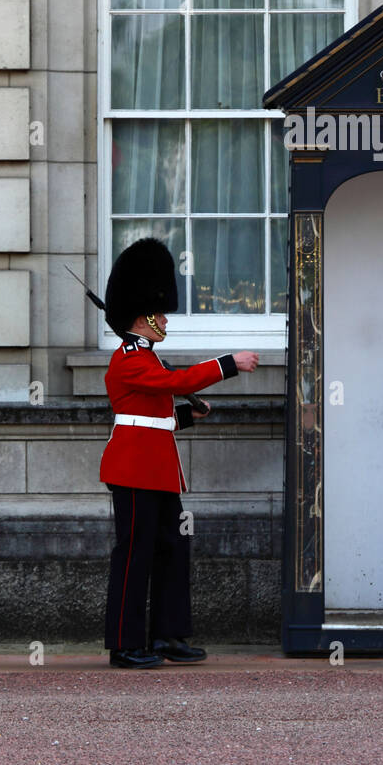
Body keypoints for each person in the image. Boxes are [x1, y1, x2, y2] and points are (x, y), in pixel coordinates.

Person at [99, 237, 259, 669]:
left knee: (172, 549)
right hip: (133, 470)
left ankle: (167, 635)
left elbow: (156, 416)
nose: (166, 319)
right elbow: (176, 384)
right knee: (134, 554)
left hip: (158, 468)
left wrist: (190, 417)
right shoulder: (128, 360)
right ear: (144, 314)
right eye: (162, 312)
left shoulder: (148, 358)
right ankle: (125, 643)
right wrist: (229, 363)